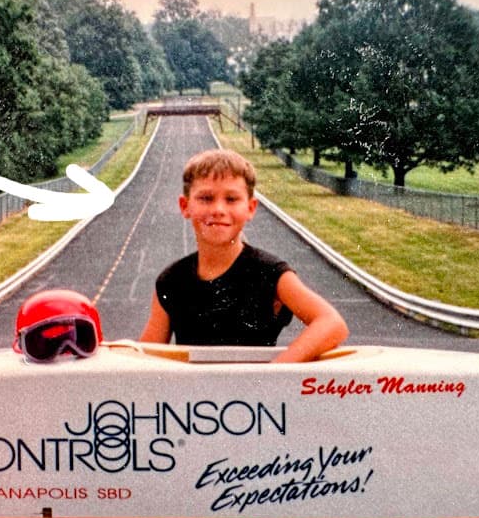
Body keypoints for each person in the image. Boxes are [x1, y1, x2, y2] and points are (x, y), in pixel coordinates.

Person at [138, 149, 348, 362]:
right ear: (185, 206)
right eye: (206, 198)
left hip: (256, 393)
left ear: (250, 208)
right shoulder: (171, 280)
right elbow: (145, 355)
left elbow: (331, 323)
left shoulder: (270, 272)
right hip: (193, 394)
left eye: (231, 199)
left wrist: (277, 370)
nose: (218, 209)